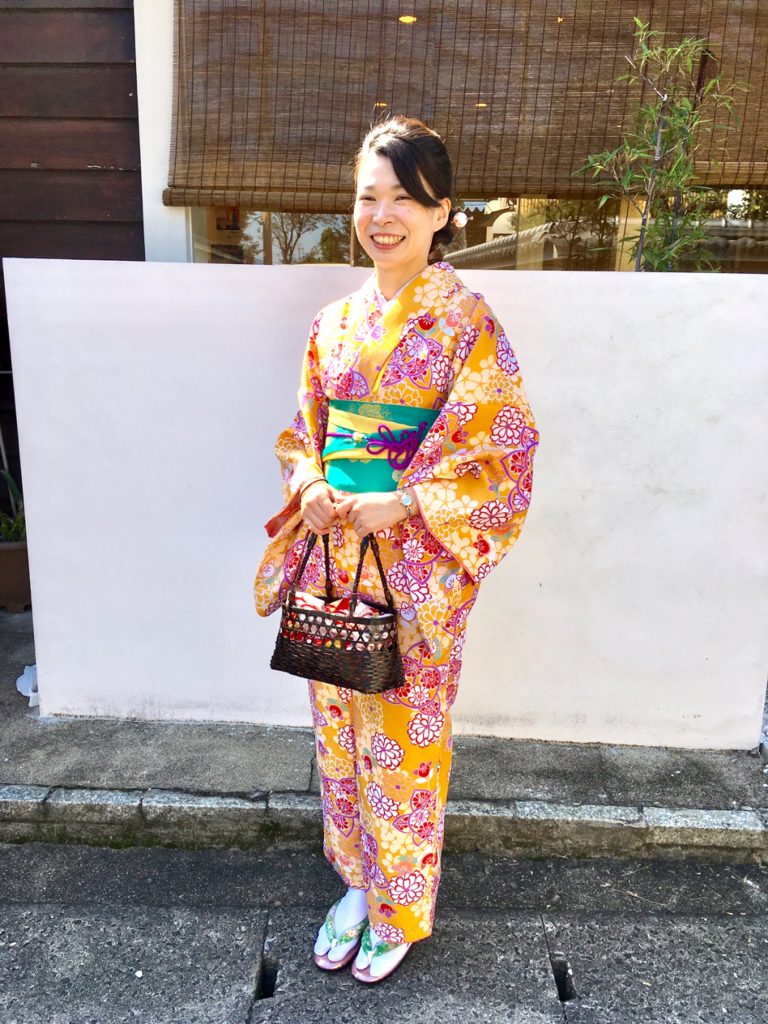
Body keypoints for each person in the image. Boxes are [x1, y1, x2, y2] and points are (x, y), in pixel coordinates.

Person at [253, 114, 540, 984]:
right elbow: (302, 432)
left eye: (404, 199)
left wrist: (407, 498)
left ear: (442, 212)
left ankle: (400, 907)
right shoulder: (333, 323)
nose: (383, 216)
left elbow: (502, 450)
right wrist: (310, 482)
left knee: (405, 744)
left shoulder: (467, 323)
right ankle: (355, 881)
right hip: (335, 557)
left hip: (416, 566)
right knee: (339, 737)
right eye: (368, 197)